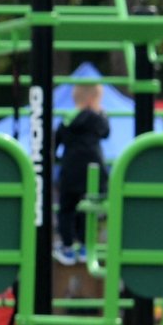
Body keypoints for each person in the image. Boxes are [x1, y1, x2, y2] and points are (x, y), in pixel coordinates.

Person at [54, 82, 111, 263]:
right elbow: (106, 132)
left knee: (66, 209)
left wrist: (57, 159)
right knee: (89, 209)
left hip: (70, 170)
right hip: (93, 170)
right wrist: (102, 114)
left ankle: (68, 246)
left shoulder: (67, 119)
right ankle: (87, 246)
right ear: (94, 99)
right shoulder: (97, 119)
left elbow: (56, 142)